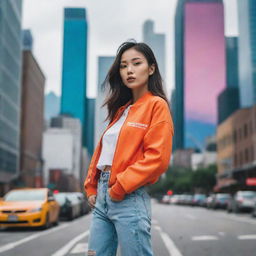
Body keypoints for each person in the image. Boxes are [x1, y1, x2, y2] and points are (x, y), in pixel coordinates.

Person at [84, 40, 174, 256]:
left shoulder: (156, 105)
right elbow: (102, 152)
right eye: (123, 66)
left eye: (136, 63)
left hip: (128, 195)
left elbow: (157, 159)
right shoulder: (121, 111)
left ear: (151, 68)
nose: (129, 70)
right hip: (103, 198)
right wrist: (91, 186)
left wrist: (120, 187)